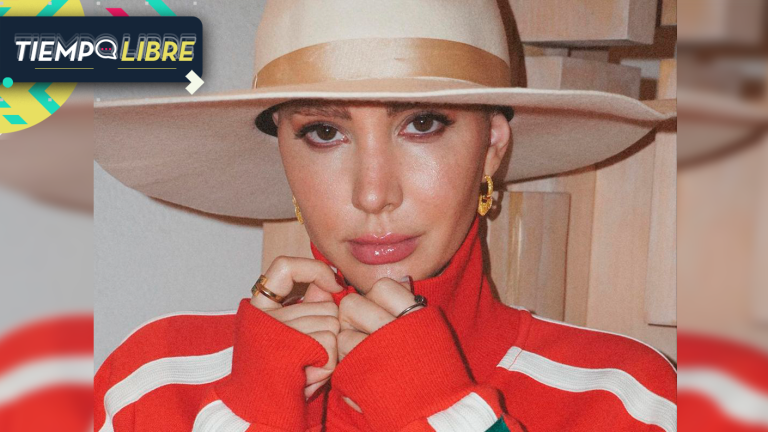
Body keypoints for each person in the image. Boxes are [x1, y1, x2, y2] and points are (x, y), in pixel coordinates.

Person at [93, 1, 677, 431]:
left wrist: (444, 414)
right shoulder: (154, 385)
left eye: (422, 123)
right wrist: (250, 416)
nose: (373, 195)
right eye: (324, 133)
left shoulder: (628, 401)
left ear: (492, 147)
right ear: (284, 159)